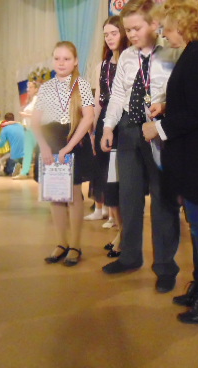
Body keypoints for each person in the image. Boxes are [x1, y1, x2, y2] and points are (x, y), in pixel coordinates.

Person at [142, 0, 198, 324]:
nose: (164, 33)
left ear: (183, 24)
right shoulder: (196, 53)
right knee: (197, 225)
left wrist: (158, 128)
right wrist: (168, 106)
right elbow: (197, 101)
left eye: (167, 27)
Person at [100, 0, 182, 293]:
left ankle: (165, 267)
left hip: (157, 131)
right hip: (128, 129)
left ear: (154, 24)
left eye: (136, 28)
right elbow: (118, 95)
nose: (131, 34)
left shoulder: (171, 53)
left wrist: (165, 107)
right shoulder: (126, 56)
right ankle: (130, 256)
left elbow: (180, 94)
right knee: (129, 196)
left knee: (162, 200)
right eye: (128, 30)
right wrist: (108, 126)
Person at [32, 41, 95, 267]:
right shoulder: (45, 87)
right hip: (50, 142)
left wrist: (69, 147)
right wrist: (44, 146)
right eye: (57, 58)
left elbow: (88, 117)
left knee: (74, 196)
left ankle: (75, 245)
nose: (61, 63)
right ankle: (61, 243)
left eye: (66, 59)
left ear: (75, 61)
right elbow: (35, 122)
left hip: (73, 141)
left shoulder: (82, 85)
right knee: (55, 195)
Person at [87, 16, 128, 258]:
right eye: (106, 34)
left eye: (114, 33)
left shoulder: (131, 61)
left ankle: (125, 235)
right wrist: (94, 129)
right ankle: (121, 231)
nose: (110, 38)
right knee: (110, 185)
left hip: (125, 124)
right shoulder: (102, 66)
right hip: (106, 125)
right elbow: (99, 100)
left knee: (122, 183)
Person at [14, 81, 40, 180]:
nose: (28, 89)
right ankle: (24, 172)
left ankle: (35, 171)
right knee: (27, 151)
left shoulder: (38, 99)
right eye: (28, 87)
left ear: (36, 89)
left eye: (31, 87)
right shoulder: (31, 100)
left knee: (37, 151)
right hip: (29, 128)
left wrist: (25, 115)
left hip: (36, 128)